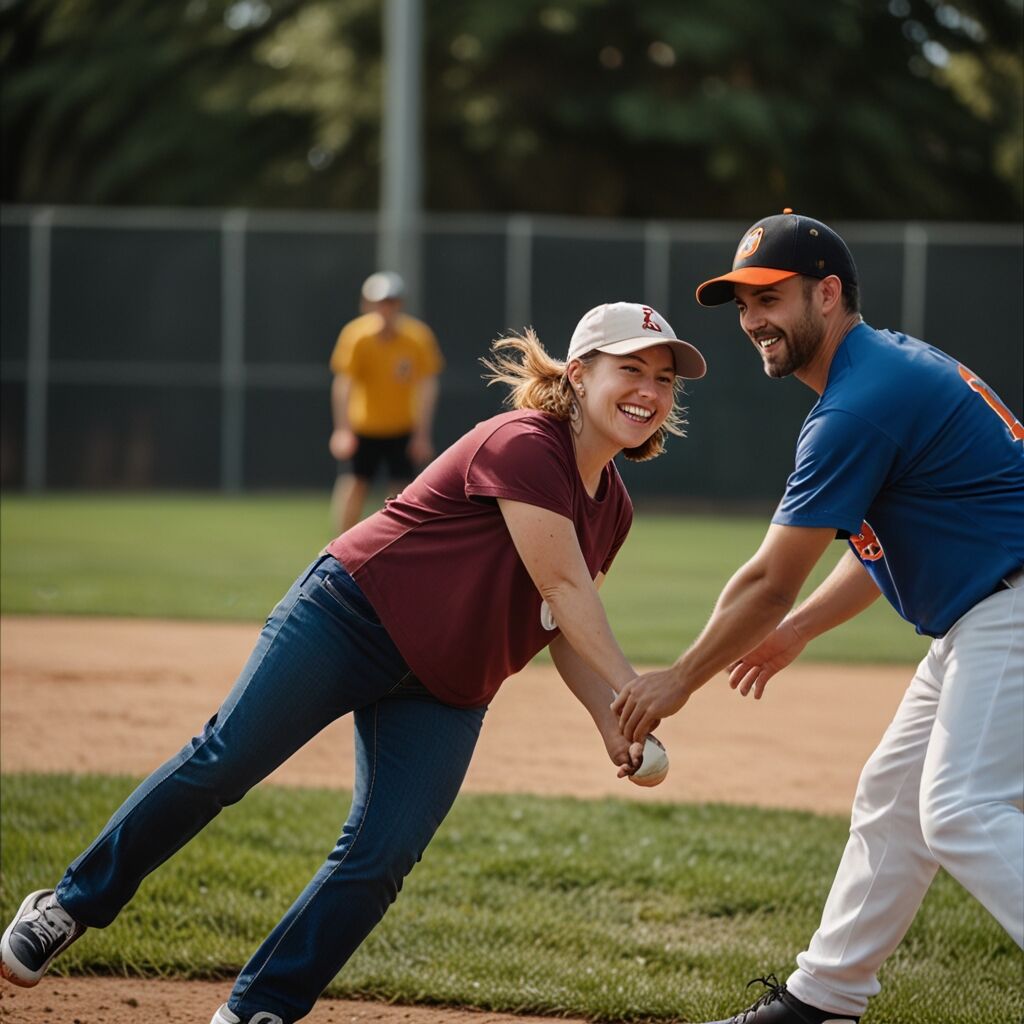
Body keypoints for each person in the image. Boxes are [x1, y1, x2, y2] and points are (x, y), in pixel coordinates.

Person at [0, 302, 708, 1024]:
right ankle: (69, 905)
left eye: (663, 379)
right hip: (350, 619)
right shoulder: (527, 441)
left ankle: (258, 1009)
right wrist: (638, 689)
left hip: (448, 688)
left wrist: (610, 720)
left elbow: (559, 623)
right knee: (224, 761)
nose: (649, 391)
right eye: (631, 370)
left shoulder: (612, 507)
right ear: (580, 374)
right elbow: (562, 584)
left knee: (383, 853)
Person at [612, 211, 1024, 1024]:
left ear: (827, 294)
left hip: (1010, 610)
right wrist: (798, 630)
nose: (753, 321)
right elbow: (879, 548)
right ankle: (823, 1001)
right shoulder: (883, 371)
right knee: (893, 800)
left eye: (770, 298)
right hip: (986, 613)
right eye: (741, 304)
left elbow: (769, 578)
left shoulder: (857, 406)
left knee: (959, 810)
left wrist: (678, 681)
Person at [328, 271, 444, 533]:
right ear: (367, 304)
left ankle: (395, 548)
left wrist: (422, 434)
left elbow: (427, 386)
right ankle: (338, 547)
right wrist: (343, 430)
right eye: (379, 302)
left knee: (402, 495)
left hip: (401, 427)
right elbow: (344, 383)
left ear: (399, 304)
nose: (385, 309)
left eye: (390, 302)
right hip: (364, 427)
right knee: (353, 486)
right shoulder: (356, 336)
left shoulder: (417, 338)